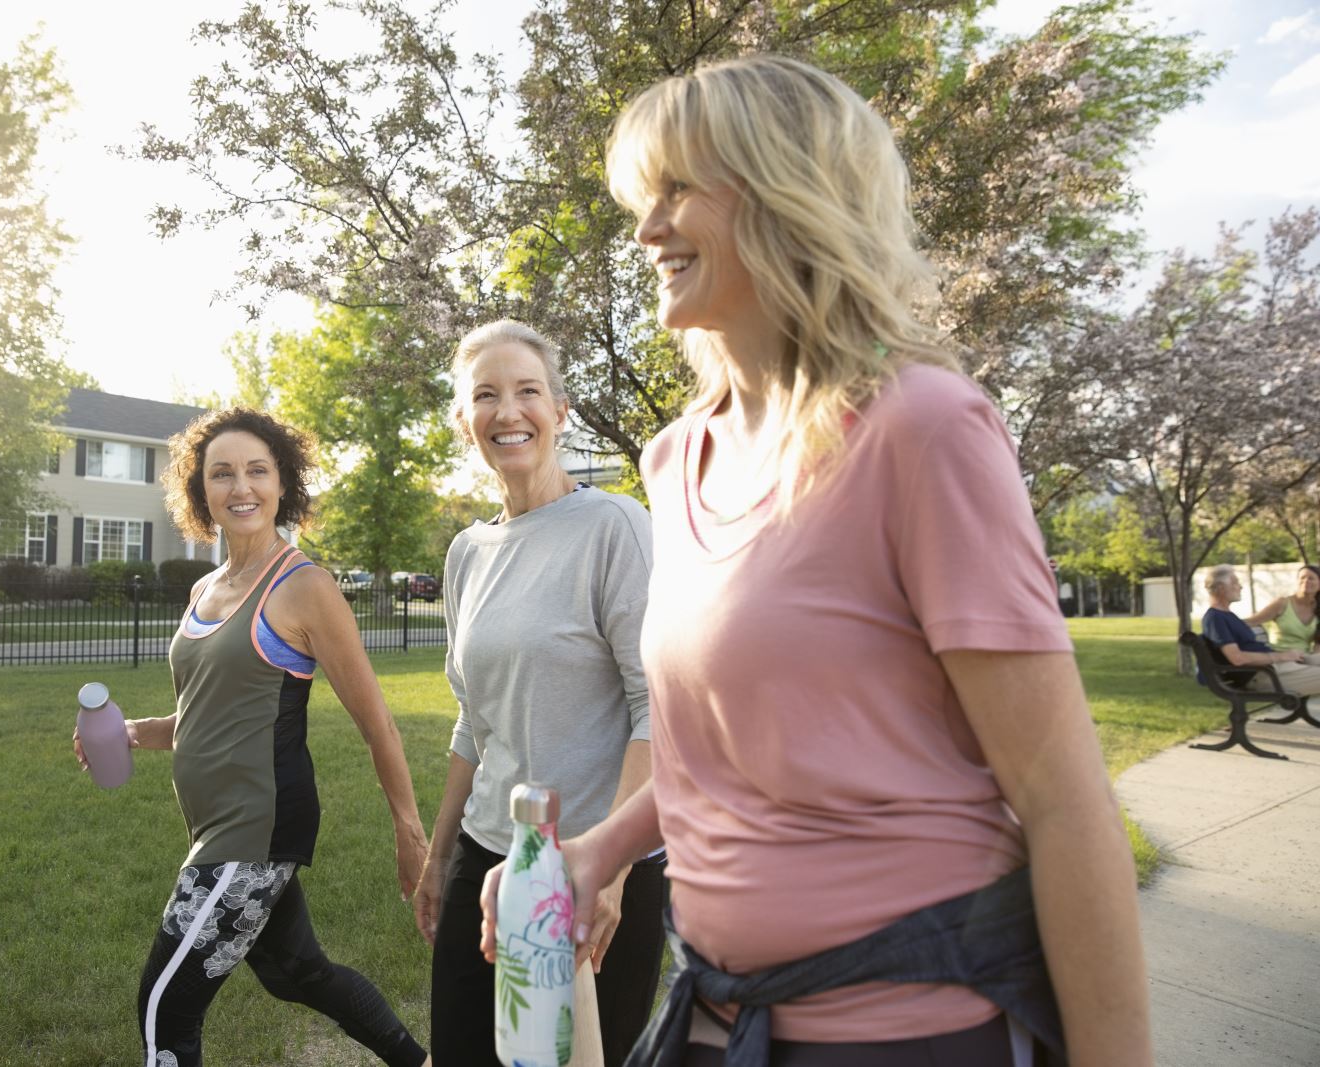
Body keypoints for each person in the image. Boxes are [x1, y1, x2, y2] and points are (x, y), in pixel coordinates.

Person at [478, 56, 1152, 1066]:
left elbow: (1063, 797)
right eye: (639, 199)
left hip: (907, 1031)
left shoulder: (921, 427)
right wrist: (600, 851)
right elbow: (736, 744)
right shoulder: (676, 456)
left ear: (788, 191)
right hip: (719, 1014)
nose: (647, 229)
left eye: (674, 191)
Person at [74, 407, 430, 1067]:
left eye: (257, 470)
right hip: (220, 827)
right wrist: (131, 733)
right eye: (223, 473)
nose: (242, 486)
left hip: (255, 827)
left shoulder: (304, 587)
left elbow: (375, 718)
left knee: (165, 1006)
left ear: (282, 482)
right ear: (200, 491)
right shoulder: (206, 588)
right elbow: (206, 715)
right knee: (298, 973)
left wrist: (410, 833)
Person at [413, 319, 665, 1066]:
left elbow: (661, 707)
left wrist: (614, 870)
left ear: (560, 409)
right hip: (486, 858)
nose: (508, 410)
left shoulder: (617, 527)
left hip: (593, 869)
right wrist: (438, 856)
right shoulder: (467, 553)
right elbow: (474, 719)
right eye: (485, 395)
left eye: (527, 390)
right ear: (465, 422)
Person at [1202, 563, 1320, 692]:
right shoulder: (1215, 618)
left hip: (1273, 667)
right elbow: (1237, 658)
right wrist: (1281, 656)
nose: (1240, 587)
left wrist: (1282, 657)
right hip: (1263, 675)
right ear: (1221, 588)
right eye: (1235, 583)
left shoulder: (1227, 616)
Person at [1240, 563, 1320, 653]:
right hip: (1278, 657)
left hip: (1305, 659)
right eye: (1302, 578)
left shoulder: (1317, 609)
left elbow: (1318, 645)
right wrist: (1225, 622)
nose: (1306, 581)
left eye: (1311, 578)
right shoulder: (1282, 603)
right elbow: (1251, 621)